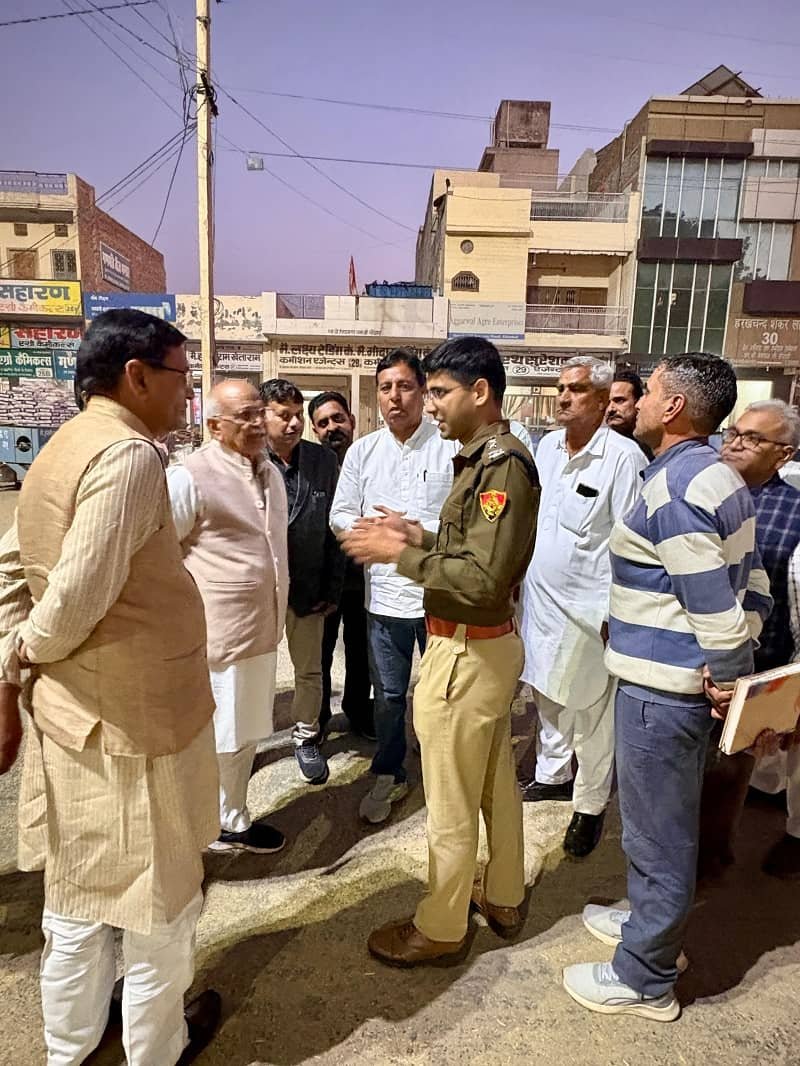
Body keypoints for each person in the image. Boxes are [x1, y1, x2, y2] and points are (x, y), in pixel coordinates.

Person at [0, 309, 221, 1064]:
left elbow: (13, 569)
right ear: (136, 376)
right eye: (181, 376)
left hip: (79, 718)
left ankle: (72, 1050)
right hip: (131, 727)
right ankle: (157, 1049)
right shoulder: (127, 456)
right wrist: (25, 652)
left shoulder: (66, 444)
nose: (186, 393)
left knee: (78, 904)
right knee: (159, 907)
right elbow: (77, 596)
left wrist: (16, 662)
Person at [565, 352, 771, 1022]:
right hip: (673, 683)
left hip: (663, 691)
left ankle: (646, 975)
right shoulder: (716, 475)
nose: (636, 401)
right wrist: (732, 658)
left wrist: (730, 676)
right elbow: (755, 583)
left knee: (658, 836)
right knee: (659, 825)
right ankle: (647, 925)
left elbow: (712, 604)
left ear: (675, 406)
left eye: (650, 391)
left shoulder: (677, 489)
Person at [341, 336, 540, 966]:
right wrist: (418, 533)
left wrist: (397, 554)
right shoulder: (485, 458)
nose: (430, 406)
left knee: (451, 803)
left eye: (440, 393)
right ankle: (502, 893)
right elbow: (473, 547)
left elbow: (482, 579)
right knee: (492, 784)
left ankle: (441, 926)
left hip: (466, 652)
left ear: (480, 392)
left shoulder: (499, 465)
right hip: (480, 649)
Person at [519, 356, 647, 858]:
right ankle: (552, 775)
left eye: (576, 389)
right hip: (540, 605)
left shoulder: (623, 458)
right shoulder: (547, 448)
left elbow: (633, 544)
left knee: (592, 713)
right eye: (561, 388)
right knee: (547, 696)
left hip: (590, 612)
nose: (564, 397)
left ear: (601, 399)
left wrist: (619, 614)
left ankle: (590, 807)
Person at [330, 350, 457, 823]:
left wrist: (411, 532)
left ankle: (445, 772)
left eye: (404, 386)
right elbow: (340, 513)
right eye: (386, 388)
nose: (394, 397)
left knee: (443, 695)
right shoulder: (363, 452)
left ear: (422, 392)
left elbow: (462, 522)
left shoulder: (449, 447)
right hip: (384, 598)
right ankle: (390, 771)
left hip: (439, 595)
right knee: (387, 695)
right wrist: (370, 532)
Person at [168, 379, 289, 854]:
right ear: (215, 425)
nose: (258, 423)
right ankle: (201, 827)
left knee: (246, 731)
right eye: (245, 416)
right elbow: (161, 554)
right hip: (217, 635)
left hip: (262, 629)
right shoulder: (190, 476)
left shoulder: (269, 472)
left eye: (261, 412)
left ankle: (230, 818)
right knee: (216, 737)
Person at [713, 400, 800, 878]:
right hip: (701, 658)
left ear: (783, 454)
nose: (736, 444)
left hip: (764, 661)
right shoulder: (705, 494)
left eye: (753, 438)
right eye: (733, 433)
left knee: (742, 764)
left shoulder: (794, 512)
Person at [261, 378, 345, 786]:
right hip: (259, 593)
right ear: (262, 417)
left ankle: (307, 735)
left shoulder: (322, 461)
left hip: (309, 588)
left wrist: (333, 588)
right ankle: (245, 743)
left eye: (298, 415)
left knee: (310, 671)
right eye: (284, 415)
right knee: (254, 672)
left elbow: (335, 528)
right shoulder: (245, 460)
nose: (294, 423)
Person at [309, 390, 374, 739]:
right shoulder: (310, 468)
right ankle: (318, 718)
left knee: (362, 652)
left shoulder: (370, 460)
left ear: (351, 420)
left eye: (338, 418)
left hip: (364, 578)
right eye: (323, 423)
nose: (332, 427)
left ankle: (358, 710)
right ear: (314, 430)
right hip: (323, 582)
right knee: (319, 654)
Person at [606, 370, 653, 459]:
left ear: (638, 401)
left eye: (619, 401)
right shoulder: (596, 445)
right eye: (607, 402)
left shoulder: (653, 446)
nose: (610, 409)